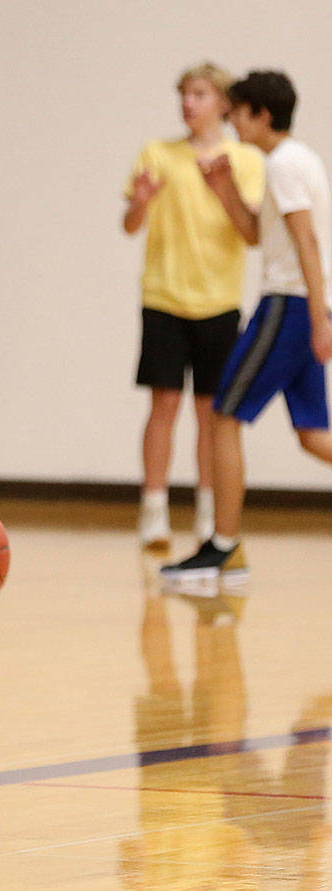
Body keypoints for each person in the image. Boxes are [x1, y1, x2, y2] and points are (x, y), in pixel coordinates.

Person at [162, 70, 332, 586]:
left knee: (222, 416)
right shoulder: (295, 160)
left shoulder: (282, 164)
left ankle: (223, 547)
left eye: (237, 111)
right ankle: (224, 547)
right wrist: (225, 189)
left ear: (259, 114)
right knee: (312, 435)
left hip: (290, 306)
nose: (232, 119)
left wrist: (320, 319)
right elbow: (260, 234)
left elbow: (306, 243)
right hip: (303, 305)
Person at [122, 63, 265, 550]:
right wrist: (139, 202)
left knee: (211, 413)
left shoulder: (244, 160)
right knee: (163, 405)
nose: (189, 103)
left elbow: (253, 235)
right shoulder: (158, 154)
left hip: (219, 303)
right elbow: (129, 224)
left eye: (200, 94)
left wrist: (222, 189)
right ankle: (154, 510)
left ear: (223, 104)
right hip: (163, 297)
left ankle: (209, 512)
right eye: (184, 94)